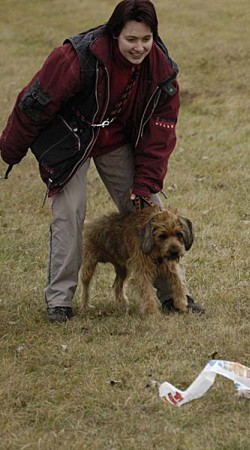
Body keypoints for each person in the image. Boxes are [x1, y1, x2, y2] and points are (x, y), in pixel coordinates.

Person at [0, 0, 204, 322]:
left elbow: (159, 134)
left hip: (115, 139)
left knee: (152, 208)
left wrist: (145, 182)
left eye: (146, 39)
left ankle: (174, 297)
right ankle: (59, 302)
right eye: (131, 39)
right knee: (69, 212)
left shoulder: (161, 71)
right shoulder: (75, 58)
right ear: (114, 34)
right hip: (71, 138)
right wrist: (11, 150)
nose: (139, 48)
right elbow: (34, 103)